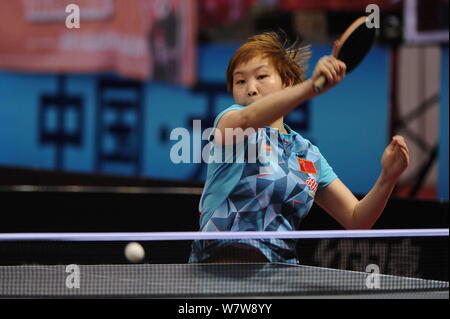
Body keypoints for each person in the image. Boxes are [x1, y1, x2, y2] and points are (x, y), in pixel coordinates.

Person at [189, 31, 410, 264]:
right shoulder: (231, 123)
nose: (251, 88)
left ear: (287, 82)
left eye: (262, 76)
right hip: (219, 268)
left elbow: (357, 220)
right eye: (240, 81)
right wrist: (311, 87)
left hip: (280, 278)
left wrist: (388, 177)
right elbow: (247, 119)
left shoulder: (307, 154)